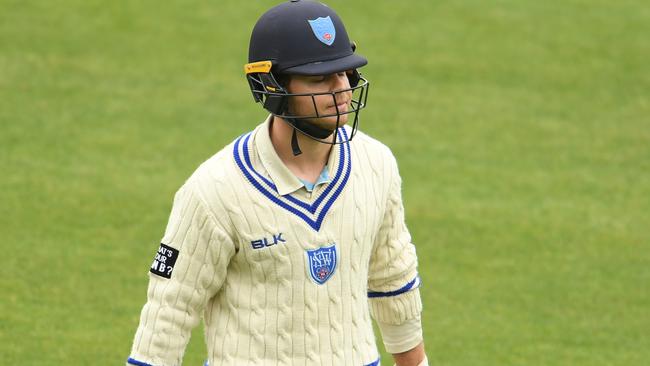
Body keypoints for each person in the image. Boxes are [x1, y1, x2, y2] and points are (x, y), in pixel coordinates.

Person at [126, 1, 427, 365]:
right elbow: (167, 315)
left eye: (346, 72)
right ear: (270, 85)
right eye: (320, 78)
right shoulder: (214, 190)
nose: (342, 88)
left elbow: (393, 281)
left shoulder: (377, 165)